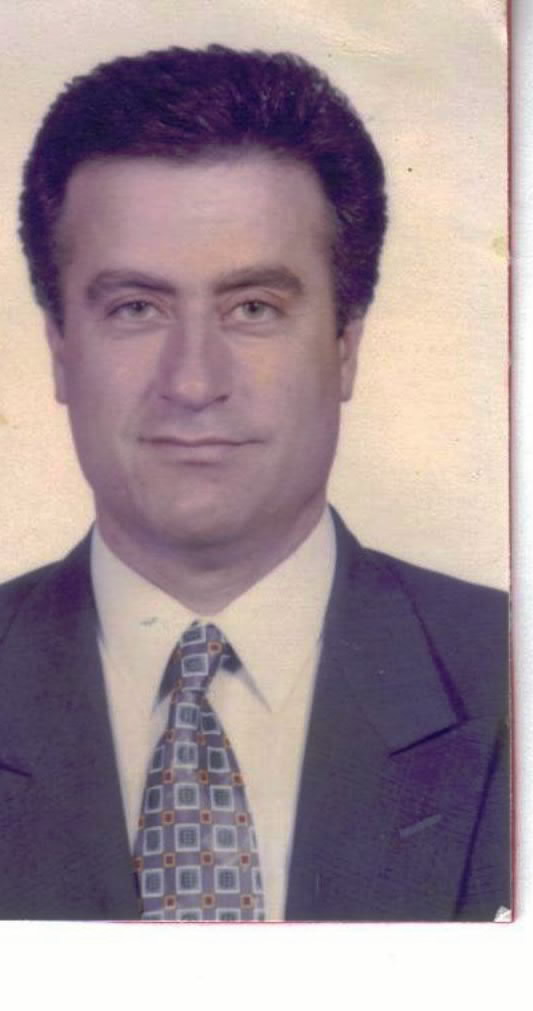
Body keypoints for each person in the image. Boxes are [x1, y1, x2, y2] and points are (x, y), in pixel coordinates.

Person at [0, 44, 509, 922]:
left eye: (253, 308)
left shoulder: (509, 677)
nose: (193, 381)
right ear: (58, 347)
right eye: (135, 307)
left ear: (345, 345)